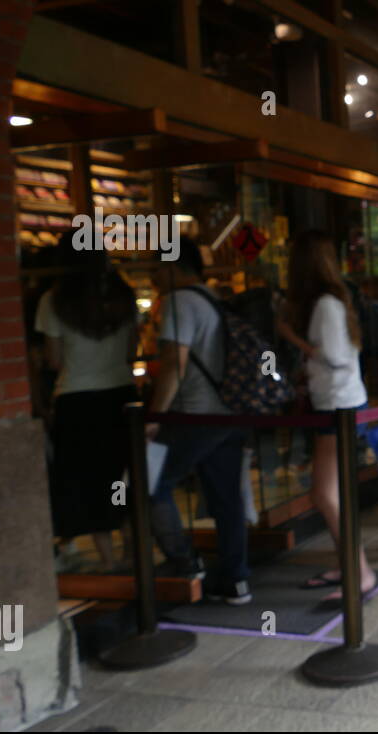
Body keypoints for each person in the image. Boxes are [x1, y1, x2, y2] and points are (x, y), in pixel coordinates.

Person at [144, 245, 252, 605]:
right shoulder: (214, 298)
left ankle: (185, 563)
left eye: (156, 270)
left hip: (194, 414)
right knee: (226, 499)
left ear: (175, 268)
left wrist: (155, 416)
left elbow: (175, 362)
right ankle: (236, 580)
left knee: (151, 483)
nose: (152, 279)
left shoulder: (178, 302)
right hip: (229, 412)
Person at [278, 231, 377, 597]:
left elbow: (333, 357)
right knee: (331, 492)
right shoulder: (334, 301)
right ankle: (350, 566)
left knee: (325, 493)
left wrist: (292, 337)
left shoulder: (325, 304)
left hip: (338, 407)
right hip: (339, 405)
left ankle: (360, 571)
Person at [34, 245, 137, 572]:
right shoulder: (125, 295)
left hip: (77, 399)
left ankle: (108, 560)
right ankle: (132, 554)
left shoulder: (53, 300)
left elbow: (54, 360)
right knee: (121, 475)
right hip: (122, 394)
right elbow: (132, 351)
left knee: (86, 481)